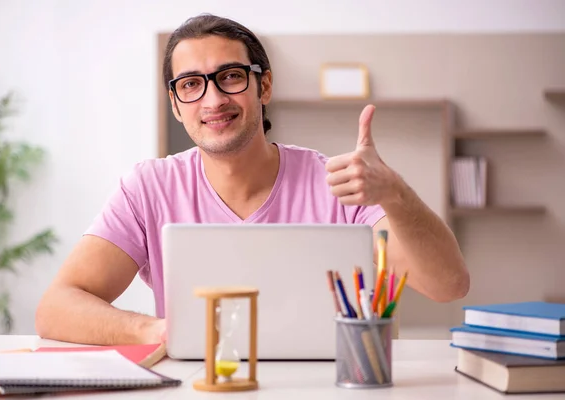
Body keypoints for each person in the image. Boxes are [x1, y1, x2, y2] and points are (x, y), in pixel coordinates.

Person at [35, 14, 469, 345]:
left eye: (230, 77)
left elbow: (448, 285)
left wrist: (395, 192)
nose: (213, 99)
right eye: (191, 84)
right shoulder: (148, 188)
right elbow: (56, 308)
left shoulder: (338, 184)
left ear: (263, 88)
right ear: (175, 103)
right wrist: (156, 331)